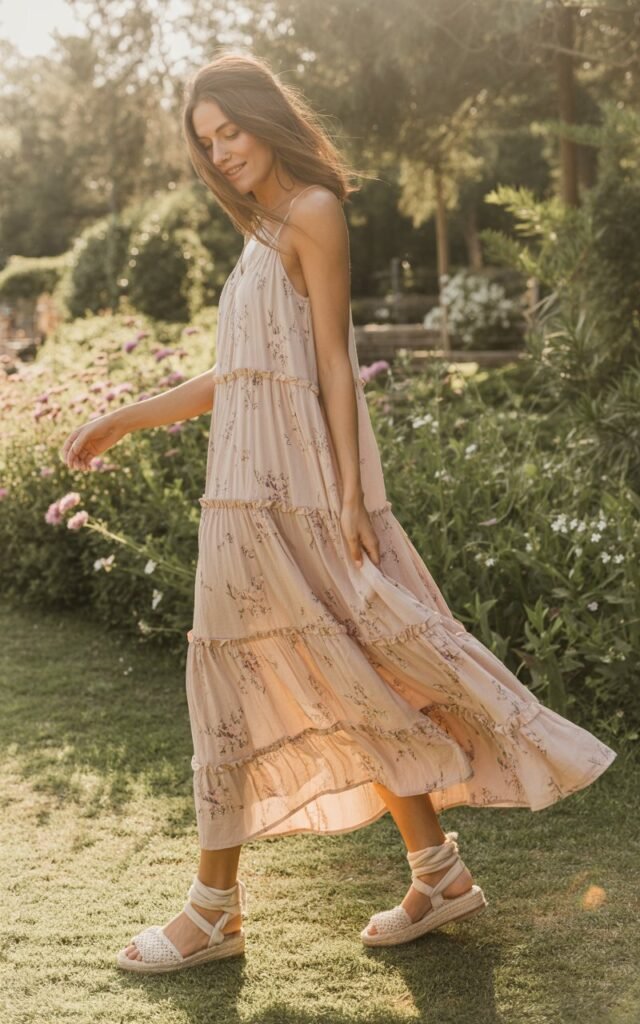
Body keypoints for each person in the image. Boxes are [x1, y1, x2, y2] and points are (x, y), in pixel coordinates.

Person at [60, 50, 617, 974]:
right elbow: (237, 376)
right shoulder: (259, 230)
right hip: (242, 496)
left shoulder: (312, 212)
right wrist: (124, 416)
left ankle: (212, 912)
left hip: (298, 497)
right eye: (207, 143)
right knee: (347, 674)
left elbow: (329, 366)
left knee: (265, 681)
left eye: (229, 130)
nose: (222, 152)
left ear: (264, 118)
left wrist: (355, 500)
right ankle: (436, 873)